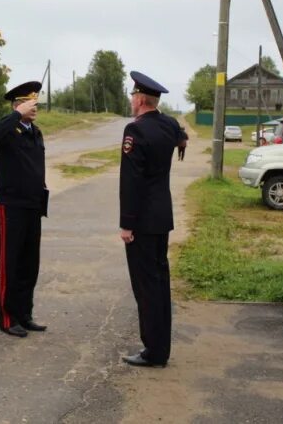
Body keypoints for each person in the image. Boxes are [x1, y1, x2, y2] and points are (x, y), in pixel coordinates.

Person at [119, 70, 187, 368]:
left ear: (142, 99)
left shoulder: (135, 131)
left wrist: (126, 223)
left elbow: (131, 181)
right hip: (162, 217)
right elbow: (180, 132)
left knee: (146, 286)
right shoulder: (169, 125)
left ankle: (153, 351)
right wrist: (183, 140)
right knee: (160, 282)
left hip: (143, 221)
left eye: (134, 95)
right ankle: (161, 347)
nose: (131, 100)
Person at [0, 81, 48, 338]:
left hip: (33, 206)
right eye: (28, 103)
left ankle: (25, 314)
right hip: (11, 206)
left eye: (35, 103)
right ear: (18, 105)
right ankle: (8, 317)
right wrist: (16, 115)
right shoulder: (7, 130)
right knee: (10, 264)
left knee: (29, 265)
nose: (34, 107)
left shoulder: (35, 132)